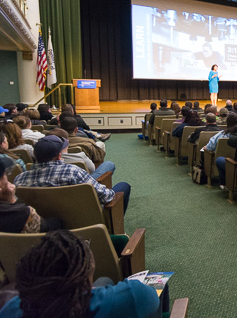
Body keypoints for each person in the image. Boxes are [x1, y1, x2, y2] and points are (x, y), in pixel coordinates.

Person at [0, 230, 160, 318]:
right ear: (87, 271)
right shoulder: (135, 297)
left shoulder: (9, 310)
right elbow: (150, 296)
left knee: (105, 280)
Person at [13, 135, 132, 214]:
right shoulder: (72, 172)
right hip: (83, 221)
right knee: (123, 186)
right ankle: (116, 227)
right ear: (59, 155)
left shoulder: (19, 180)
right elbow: (107, 197)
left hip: (43, 224)